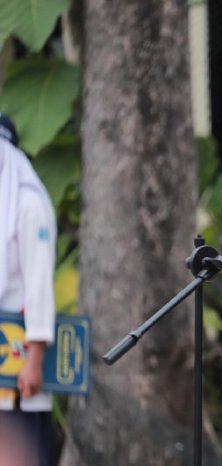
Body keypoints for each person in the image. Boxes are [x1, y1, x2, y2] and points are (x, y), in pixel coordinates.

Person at [0, 113, 57, 466]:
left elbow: (38, 288)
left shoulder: (29, 207)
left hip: (22, 367)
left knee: (24, 450)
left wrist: (34, 362)